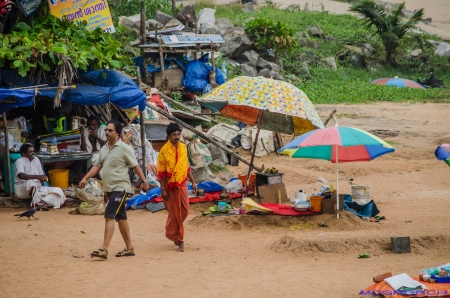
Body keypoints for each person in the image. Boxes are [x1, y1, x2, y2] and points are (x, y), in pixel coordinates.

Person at [78, 120, 150, 259]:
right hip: (110, 188)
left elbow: (135, 166)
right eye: (106, 130)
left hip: (120, 187)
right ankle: (129, 248)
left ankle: (104, 249)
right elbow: (97, 166)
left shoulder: (124, 148)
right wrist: (85, 178)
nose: (107, 133)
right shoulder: (104, 148)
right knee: (121, 217)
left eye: (110, 130)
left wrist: (144, 181)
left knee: (109, 216)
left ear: (117, 133)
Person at [157, 123, 197, 252]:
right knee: (176, 213)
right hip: (169, 184)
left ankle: (171, 229)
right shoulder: (164, 150)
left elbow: (186, 167)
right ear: (168, 136)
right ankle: (180, 240)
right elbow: (161, 172)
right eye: (174, 134)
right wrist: (163, 189)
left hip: (182, 183)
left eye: (178, 134)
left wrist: (193, 182)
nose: (176, 136)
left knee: (184, 211)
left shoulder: (183, 148)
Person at [14, 144, 67, 209]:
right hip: (22, 190)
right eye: (30, 152)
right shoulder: (19, 161)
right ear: (24, 154)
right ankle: (36, 202)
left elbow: (41, 175)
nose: (33, 153)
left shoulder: (36, 160)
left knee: (58, 190)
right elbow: (21, 175)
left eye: (33, 151)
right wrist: (37, 177)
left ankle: (42, 202)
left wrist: (43, 178)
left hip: (38, 188)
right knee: (30, 182)